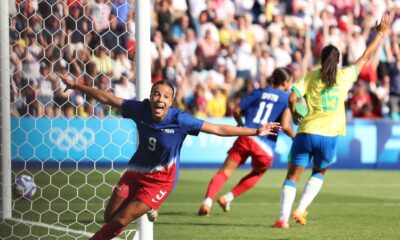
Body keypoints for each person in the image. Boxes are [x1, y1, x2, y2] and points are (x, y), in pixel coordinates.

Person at [58, 76, 281, 239]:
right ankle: (149, 208)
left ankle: (148, 205)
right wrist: (76, 86)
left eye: (165, 96)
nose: (160, 99)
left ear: (171, 101)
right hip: (134, 174)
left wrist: (255, 131)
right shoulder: (140, 109)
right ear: (150, 96)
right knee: (110, 218)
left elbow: (219, 130)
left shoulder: (180, 120)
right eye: (156, 94)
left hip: (159, 183)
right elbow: (108, 99)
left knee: (121, 220)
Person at [273, 12, 393, 229]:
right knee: (319, 173)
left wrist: (294, 111)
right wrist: (380, 35)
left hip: (307, 131)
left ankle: (282, 219)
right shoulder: (344, 76)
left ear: (321, 59)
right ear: (338, 61)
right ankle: (301, 209)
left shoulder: (310, 76)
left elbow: (292, 96)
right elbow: (366, 56)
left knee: (292, 176)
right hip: (329, 136)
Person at [198, 67, 296, 216]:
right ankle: (227, 197)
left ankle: (207, 202)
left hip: (247, 136)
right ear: (286, 82)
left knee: (225, 172)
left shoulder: (258, 92)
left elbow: (236, 110)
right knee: (257, 173)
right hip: (265, 146)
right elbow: (286, 125)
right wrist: (296, 138)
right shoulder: (286, 98)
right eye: (291, 81)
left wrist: (241, 124)